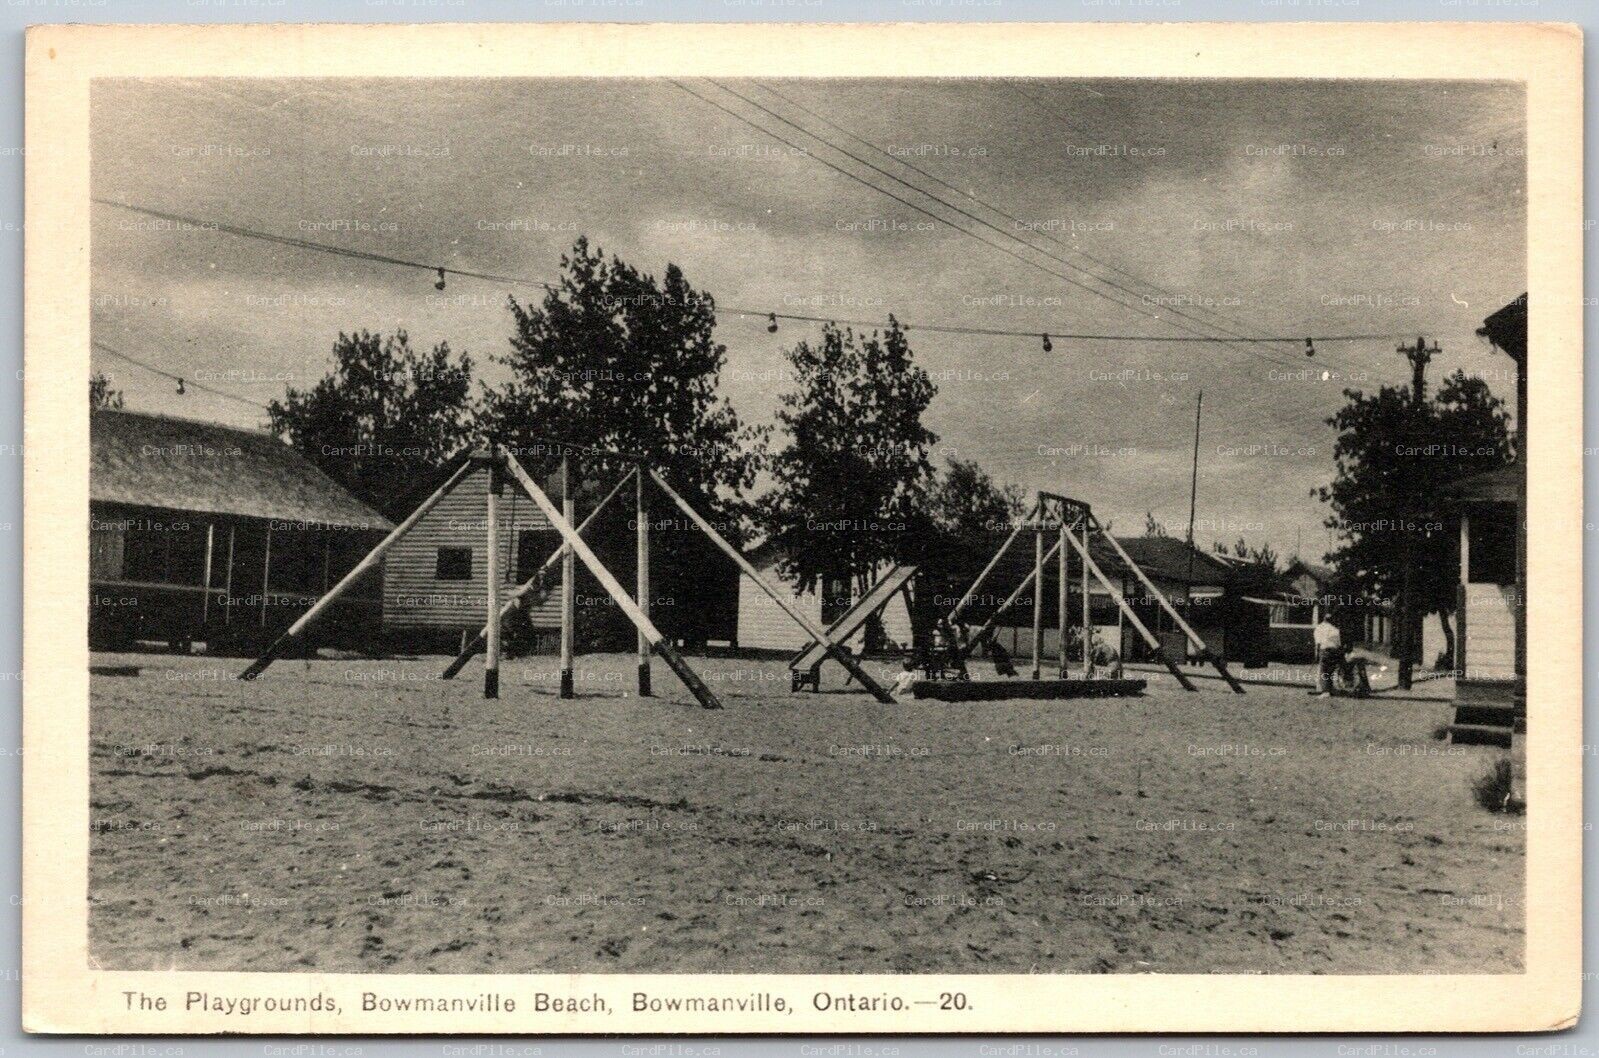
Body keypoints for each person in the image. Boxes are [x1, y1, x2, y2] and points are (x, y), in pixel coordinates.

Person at [1311, 612, 1347, 697]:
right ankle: (1330, 689)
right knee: (1330, 671)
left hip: (1325, 650)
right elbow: (1339, 643)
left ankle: (1325, 691)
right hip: (1335, 651)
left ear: (1324, 619)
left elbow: (1318, 643)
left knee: (1324, 671)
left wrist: (1316, 654)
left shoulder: (1319, 628)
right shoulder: (1335, 629)